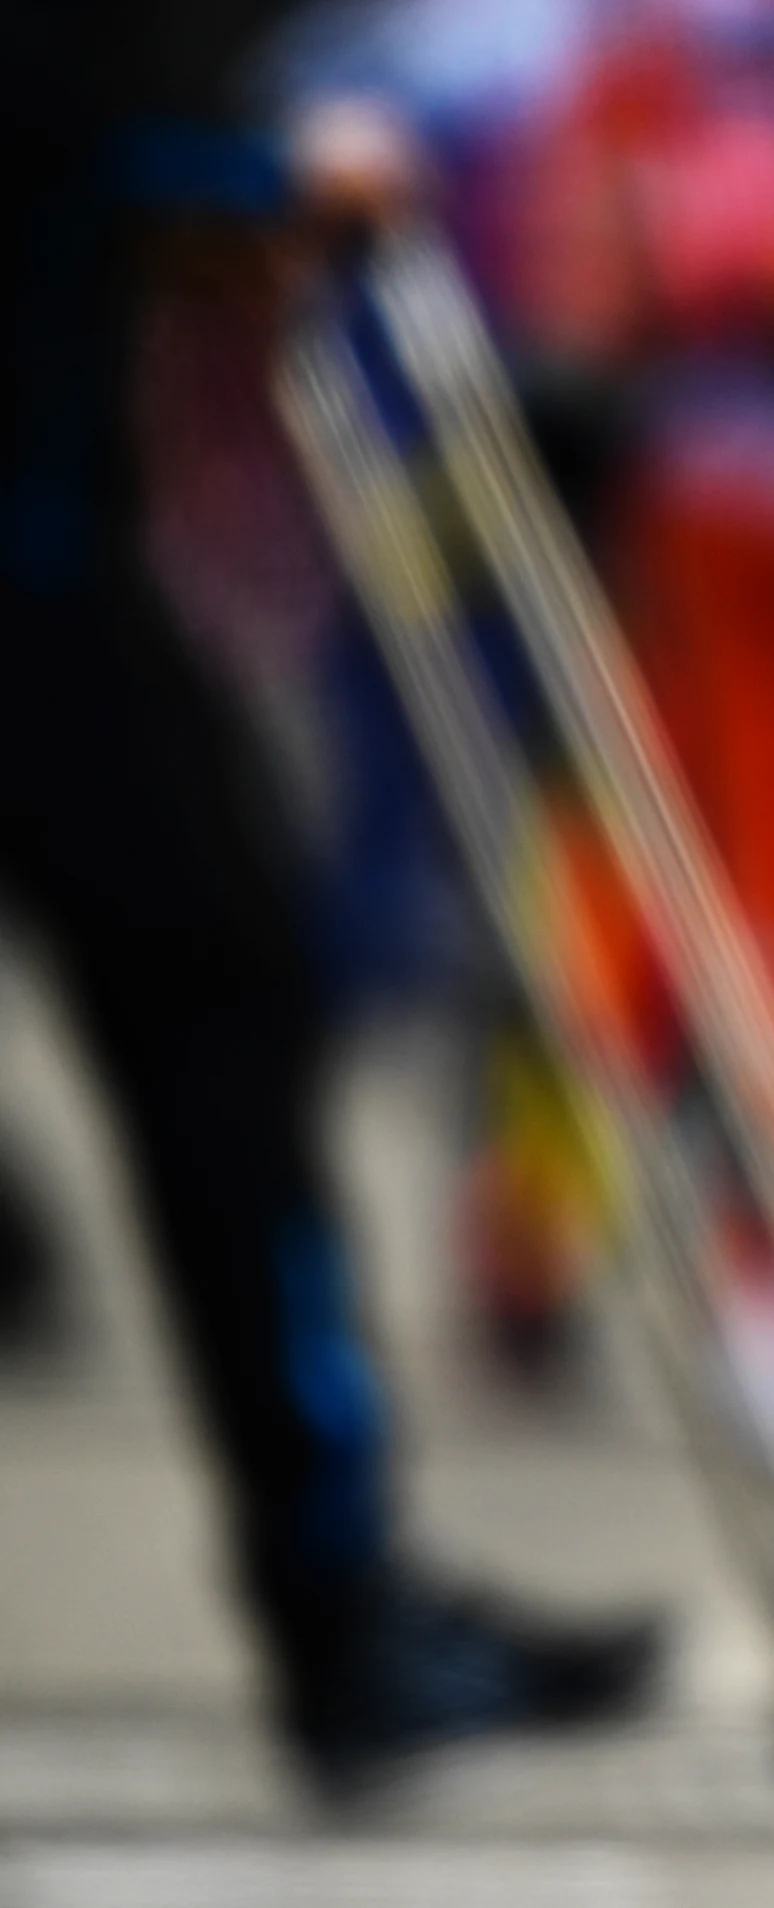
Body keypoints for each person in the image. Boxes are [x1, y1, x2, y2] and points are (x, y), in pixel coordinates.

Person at [0, 2, 656, 1788]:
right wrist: (272, 170)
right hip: (42, 585)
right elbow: (90, 111)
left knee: (234, 997)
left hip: (67, 559)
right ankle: (338, 1599)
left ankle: (343, 1590)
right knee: (223, 1004)